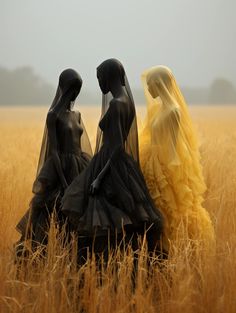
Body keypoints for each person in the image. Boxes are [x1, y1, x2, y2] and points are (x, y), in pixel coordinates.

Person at [62, 59, 163, 263]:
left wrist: (99, 178)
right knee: (123, 220)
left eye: (100, 78)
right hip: (122, 166)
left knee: (100, 221)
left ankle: (99, 268)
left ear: (109, 76)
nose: (100, 84)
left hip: (109, 164)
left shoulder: (117, 104)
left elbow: (116, 146)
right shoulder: (128, 102)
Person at [15, 69, 92, 255]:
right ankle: (40, 254)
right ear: (65, 88)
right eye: (73, 88)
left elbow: (80, 144)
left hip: (79, 165)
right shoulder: (53, 116)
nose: (76, 93)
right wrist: (64, 181)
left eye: (78, 89)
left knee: (80, 209)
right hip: (60, 168)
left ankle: (76, 253)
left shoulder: (77, 115)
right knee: (52, 209)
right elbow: (54, 151)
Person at [139, 65, 215, 252]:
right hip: (152, 163)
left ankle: (172, 250)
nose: (148, 89)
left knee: (169, 210)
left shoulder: (172, 111)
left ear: (160, 84)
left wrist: (169, 175)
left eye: (151, 85)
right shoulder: (159, 109)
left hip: (162, 166)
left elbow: (172, 147)